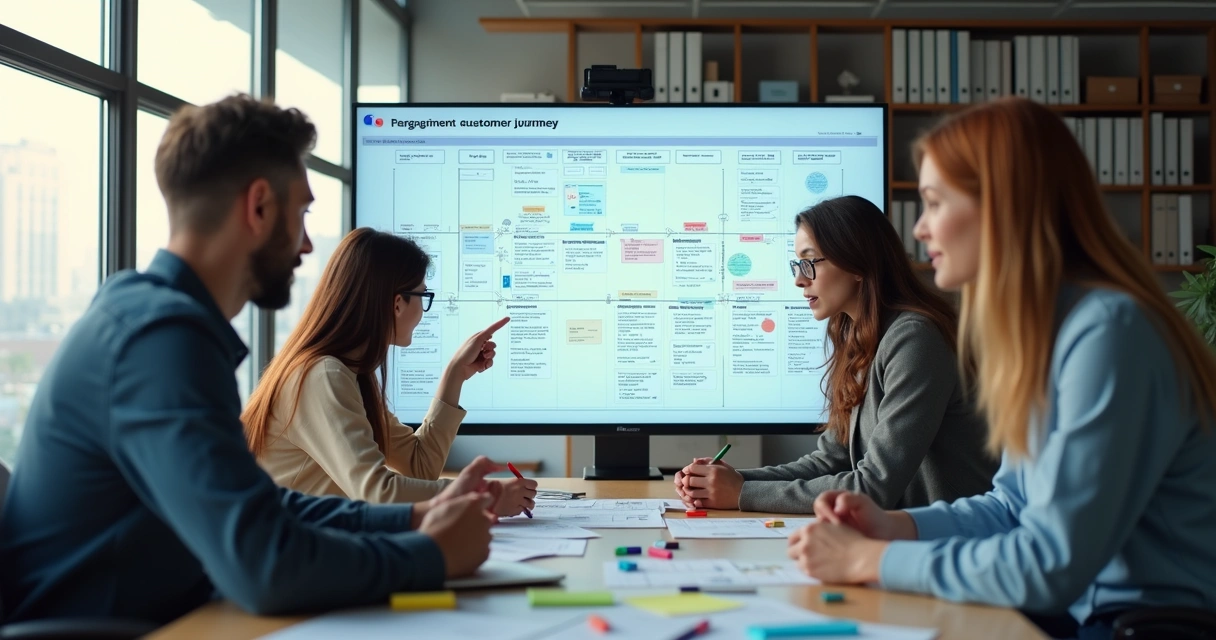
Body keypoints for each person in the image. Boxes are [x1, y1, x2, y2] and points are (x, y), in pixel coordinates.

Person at [0, 94, 503, 627]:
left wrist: (415, 517)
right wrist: (432, 555)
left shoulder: (149, 320)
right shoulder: (161, 341)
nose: (308, 245)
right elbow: (264, 566)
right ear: (259, 206)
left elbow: (264, 507)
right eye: (303, 213)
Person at [787, 98, 1216, 638]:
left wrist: (868, 561)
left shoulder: (1110, 332)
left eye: (935, 203)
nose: (919, 230)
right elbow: (1011, 506)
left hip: (1140, 626)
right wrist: (894, 526)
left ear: (1002, 207)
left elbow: (1049, 565)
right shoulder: (1052, 331)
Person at [674, 195, 996, 514]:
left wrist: (742, 493)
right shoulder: (861, 339)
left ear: (857, 263)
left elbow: (872, 488)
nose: (799, 279)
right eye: (797, 264)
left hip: (948, 546)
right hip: (901, 538)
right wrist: (729, 481)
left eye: (810, 261)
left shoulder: (915, 340)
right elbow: (829, 461)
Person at [243, 228, 536, 515]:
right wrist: (485, 495)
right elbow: (378, 492)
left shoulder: (347, 373)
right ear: (397, 304)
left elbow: (420, 466)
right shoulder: (324, 376)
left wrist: (455, 374)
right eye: (423, 295)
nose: (423, 309)